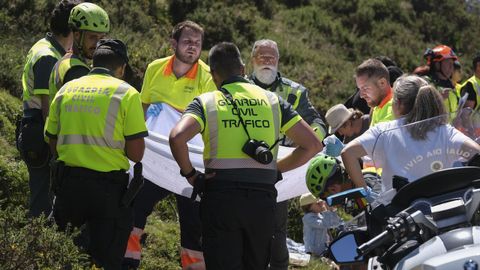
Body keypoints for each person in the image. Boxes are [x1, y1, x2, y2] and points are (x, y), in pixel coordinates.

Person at [169, 42, 322, 270]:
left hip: (220, 197)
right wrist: (276, 169)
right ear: (242, 69)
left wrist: (191, 175)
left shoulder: (206, 101)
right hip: (261, 199)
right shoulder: (273, 101)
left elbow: (176, 137)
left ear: (213, 75)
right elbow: (312, 145)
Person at [45, 39, 147, 269]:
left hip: (68, 184)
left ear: (93, 62)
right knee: (106, 259)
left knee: (61, 255)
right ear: (121, 68)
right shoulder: (127, 94)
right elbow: (136, 154)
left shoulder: (67, 89)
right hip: (108, 191)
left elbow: (51, 139)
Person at [124, 20, 216, 270]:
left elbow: (210, 119)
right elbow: (141, 109)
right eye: (187, 41)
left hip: (191, 160)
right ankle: (126, 262)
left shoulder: (207, 76)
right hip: (156, 159)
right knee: (135, 208)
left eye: (197, 44)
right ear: (173, 43)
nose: (192, 47)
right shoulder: (155, 68)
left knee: (193, 223)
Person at [248, 39, 328, 270]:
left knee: (276, 230)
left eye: (271, 57)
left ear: (278, 61)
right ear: (252, 60)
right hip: (243, 166)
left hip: (280, 169)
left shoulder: (295, 91)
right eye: (262, 56)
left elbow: (317, 122)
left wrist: (308, 141)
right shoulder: (240, 86)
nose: (267, 61)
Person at [341, 75, 480, 205]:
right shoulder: (444, 130)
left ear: (399, 104)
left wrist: (365, 192)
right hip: (442, 207)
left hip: (400, 216)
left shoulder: (383, 131)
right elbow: (476, 153)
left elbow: (347, 153)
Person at [18, 0, 80, 217]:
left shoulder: (47, 47)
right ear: (73, 29)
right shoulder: (47, 56)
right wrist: (57, 146)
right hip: (40, 131)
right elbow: (47, 107)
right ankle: (37, 246)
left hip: (34, 127)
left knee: (45, 196)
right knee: (42, 200)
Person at [49, 2, 110, 99]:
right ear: (77, 35)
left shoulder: (66, 61)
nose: (98, 43)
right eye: (92, 37)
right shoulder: (77, 71)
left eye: (102, 38)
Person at [413, 45, 459, 113]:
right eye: (448, 63)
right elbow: (418, 110)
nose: (451, 67)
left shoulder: (451, 85)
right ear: (437, 65)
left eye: (452, 64)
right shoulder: (425, 84)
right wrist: (439, 99)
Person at [355, 58, 395, 127]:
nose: (361, 95)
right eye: (360, 89)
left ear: (382, 83)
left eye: (365, 88)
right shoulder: (377, 106)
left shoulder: (395, 109)